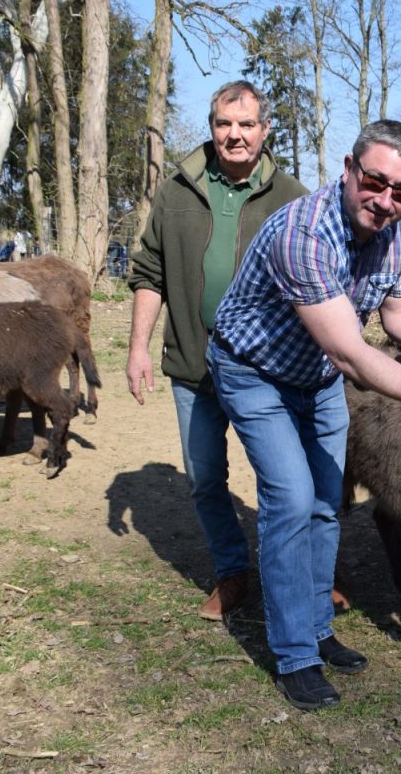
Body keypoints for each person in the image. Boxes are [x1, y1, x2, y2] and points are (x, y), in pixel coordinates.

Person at [206, 119, 401, 712]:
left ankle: (316, 627)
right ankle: (294, 656)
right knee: (290, 498)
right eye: (375, 181)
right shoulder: (305, 235)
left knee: (324, 502)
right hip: (255, 370)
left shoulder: (395, 232)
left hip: (315, 373)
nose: (386, 200)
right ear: (348, 169)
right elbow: (352, 352)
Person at [126, 80, 308, 622]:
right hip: (193, 364)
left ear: (265, 130)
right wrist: (138, 348)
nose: (235, 135)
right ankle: (232, 574)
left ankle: (309, 572)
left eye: (246, 124)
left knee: (286, 480)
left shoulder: (292, 198)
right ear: (212, 128)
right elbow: (149, 271)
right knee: (206, 479)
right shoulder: (176, 190)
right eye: (224, 124)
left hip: (266, 371)